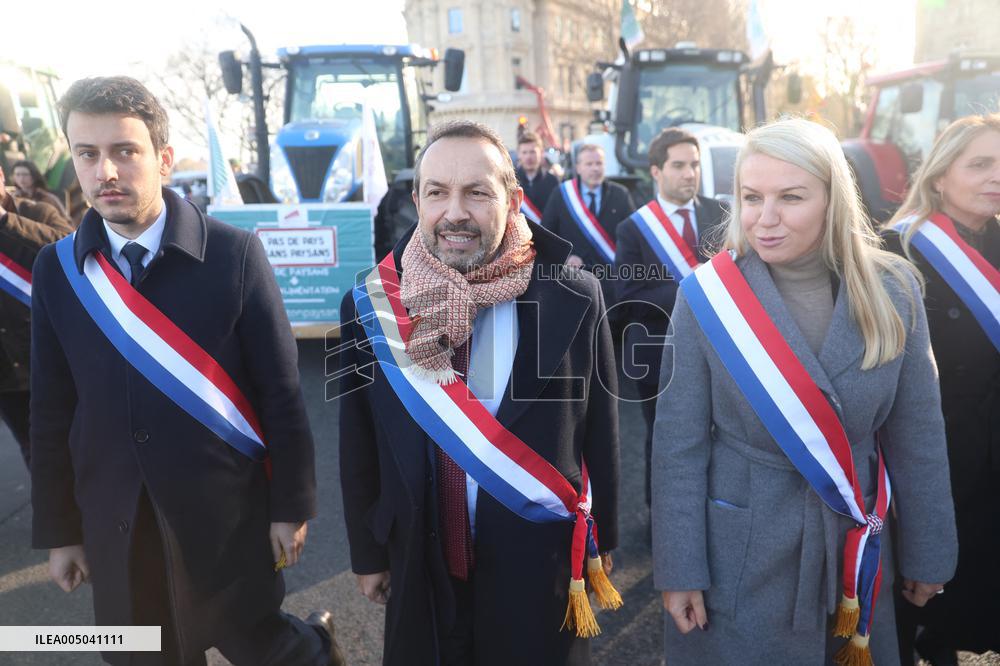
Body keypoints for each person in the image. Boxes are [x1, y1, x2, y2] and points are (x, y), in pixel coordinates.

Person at [29, 76, 343, 666]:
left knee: (257, 644)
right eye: (87, 154)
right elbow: (51, 409)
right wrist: (61, 530)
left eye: (125, 151)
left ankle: (319, 645)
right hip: (115, 515)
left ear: (164, 159)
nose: (107, 173)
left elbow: (280, 393)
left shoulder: (234, 255)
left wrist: (290, 505)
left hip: (223, 513)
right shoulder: (57, 271)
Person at [652, 118, 958, 665]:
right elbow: (678, 446)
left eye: (790, 197)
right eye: (751, 197)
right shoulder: (706, 298)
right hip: (741, 552)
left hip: (854, 546)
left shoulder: (896, 290)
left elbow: (918, 436)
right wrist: (679, 569)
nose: (765, 218)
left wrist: (931, 552)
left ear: (831, 199)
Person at [337, 120, 620, 665]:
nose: (455, 212)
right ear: (417, 199)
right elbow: (358, 442)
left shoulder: (574, 295)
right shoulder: (370, 307)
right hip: (419, 562)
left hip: (539, 570)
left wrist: (602, 543)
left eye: (477, 192)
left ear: (513, 201)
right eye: (438, 192)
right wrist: (367, 551)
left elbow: (600, 431)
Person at [883, 113, 1000, 665]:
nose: (995, 176)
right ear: (938, 176)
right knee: (923, 608)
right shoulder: (895, 250)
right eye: (980, 163)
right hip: (936, 464)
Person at [613, 128, 727, 507]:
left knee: (722, 435)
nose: (689, 174)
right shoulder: (633, 228)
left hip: (722, 349)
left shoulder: (720, 214)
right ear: (657, 172)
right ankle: (662, 522)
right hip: (660, 353)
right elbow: (628, 297)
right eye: (678, 166)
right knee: (665, 440)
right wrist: (694, 287)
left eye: (694, 165)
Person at [0, 165, 72, 466]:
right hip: (6, 372)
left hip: (48, 355)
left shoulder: (37, 211)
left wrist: (6, 222)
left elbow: (70, 247)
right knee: (36, 452)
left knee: (74, 442)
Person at [541, 143, 635, 312]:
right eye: (589, 164)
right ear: (578, 168)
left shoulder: (620, 194)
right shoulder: (561, 194)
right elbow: (546, 236)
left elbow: (633, 238)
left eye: (599, 163)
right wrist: (566, 257)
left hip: (612, 286)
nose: (595, 169)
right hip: (574, 284)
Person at [515, 131, 559, 223]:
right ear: (519, 154)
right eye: (524, 152)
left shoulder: (552, 181)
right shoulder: (511, 181)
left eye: (532, 152)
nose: (528, 157)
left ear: (541, 152)